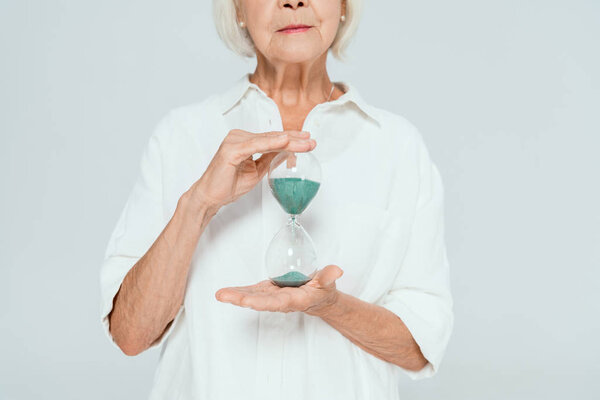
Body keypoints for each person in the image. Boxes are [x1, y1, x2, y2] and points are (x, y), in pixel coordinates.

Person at [99, 0, 454, 398]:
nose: (293, 1)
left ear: (342, 6)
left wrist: (331, 306)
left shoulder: (396, 145)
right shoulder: (181, 136)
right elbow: (130, 335)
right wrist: (198, 204)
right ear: (237, 9)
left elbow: (420, 347)